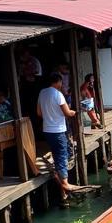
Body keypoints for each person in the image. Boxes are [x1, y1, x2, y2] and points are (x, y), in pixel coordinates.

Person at [37, 72, 76, 201]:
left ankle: (62, 187)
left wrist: (49, 117)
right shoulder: (58, 94)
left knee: (56, 154)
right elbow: (67, 113)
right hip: (58, 130)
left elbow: (39, 113)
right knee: (62, 155)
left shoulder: (42, 92)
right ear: (58, 82)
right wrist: (74, 112)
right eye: (61, 82)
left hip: (47, 130)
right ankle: (65, 183)